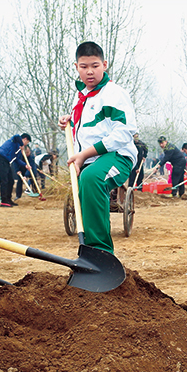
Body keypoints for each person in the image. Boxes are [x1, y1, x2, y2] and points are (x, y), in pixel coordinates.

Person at [57, 41, 137, 254]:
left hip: (117, 155)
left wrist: (83, 155)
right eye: (84, 67)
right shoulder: (81, 96)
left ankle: (101, 253)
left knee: (92, 178)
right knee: (86, 182)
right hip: (91, 159)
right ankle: (90, 251)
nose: (90, 71)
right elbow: (90, 128)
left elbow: (123, 132)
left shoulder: (113, 93)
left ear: (105, 64)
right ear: (76, 67)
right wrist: (70, 121)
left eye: (95, 65)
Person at [0, 133, 31, 207]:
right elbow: (17, 135)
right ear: (25, 139)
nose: (26, 145)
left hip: (6, 161)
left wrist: (25, 165)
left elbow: (17, 159)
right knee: (4, 180)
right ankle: (4, 201)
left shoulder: (18, 149)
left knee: (11, 180)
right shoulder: (14, 141)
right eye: (27, 142)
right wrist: (22, 145)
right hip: (0, 158)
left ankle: (8, 199)